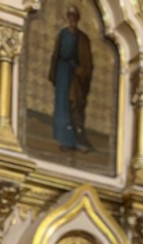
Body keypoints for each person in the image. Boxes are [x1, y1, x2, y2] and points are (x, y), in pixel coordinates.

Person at [49, 5, 93, 152]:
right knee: (62, 105)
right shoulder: (62, 34)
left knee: (74, 105)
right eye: (70, 16)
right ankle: (64, 139)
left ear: (78, 19)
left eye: (74, 17)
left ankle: (76, 141)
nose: (72, 19)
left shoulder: (82, 38)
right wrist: (55, 72)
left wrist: (79, 71)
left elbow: (86, 62)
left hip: (74, 77)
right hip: (62, 73)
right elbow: (56, 54)